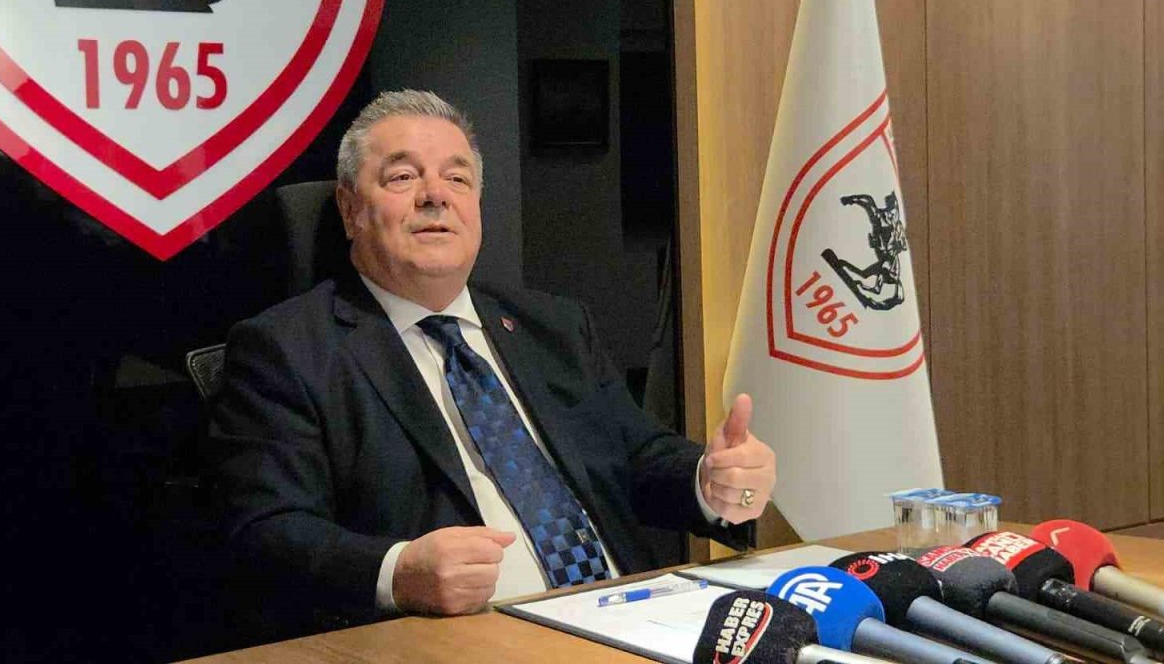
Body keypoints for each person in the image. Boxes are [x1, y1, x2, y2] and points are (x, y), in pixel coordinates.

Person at [211, 90, 777, 632]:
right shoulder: (286, 350)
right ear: (350, 209)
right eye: (403, 177)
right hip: (453, 641)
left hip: (626, 618)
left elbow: (636, 456)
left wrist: (709, 481)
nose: (435, 195)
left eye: (457, 178)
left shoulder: (553, 326)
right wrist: (398, 572)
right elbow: (266, 534)